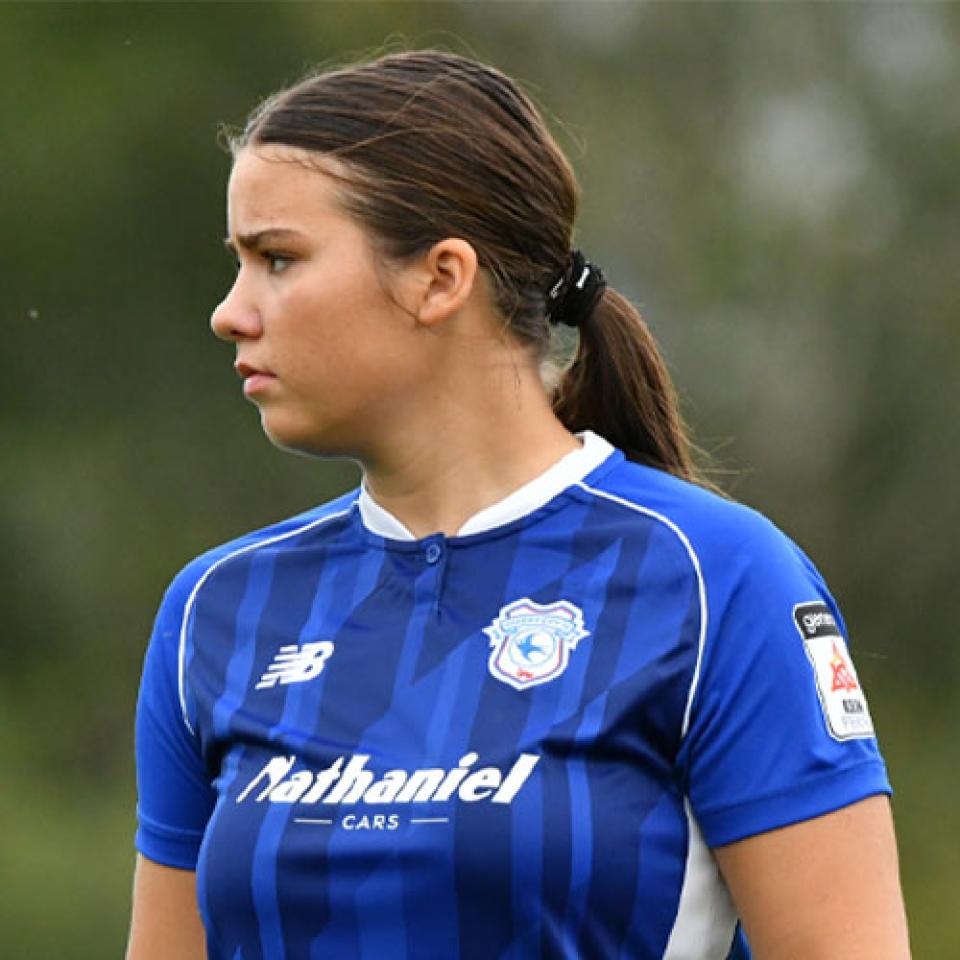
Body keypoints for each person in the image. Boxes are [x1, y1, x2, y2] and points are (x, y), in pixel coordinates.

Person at [127, 49, 910, 960]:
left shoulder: (718, 580)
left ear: (440, 278)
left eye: (277, 259)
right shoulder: (216, 610)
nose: (231, 312)